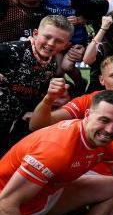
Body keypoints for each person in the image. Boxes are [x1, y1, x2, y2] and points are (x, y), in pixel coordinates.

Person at [0, 15, 74, 147]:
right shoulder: (11, 50)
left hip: (12, 126)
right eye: (47, 37)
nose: (51, 43)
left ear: (65, 45)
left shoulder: (51, 65)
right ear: (35, 34)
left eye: (58, 41)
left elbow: (36, 93)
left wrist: (33, 111)